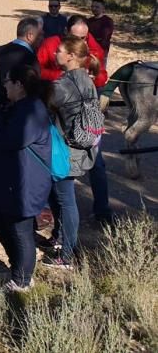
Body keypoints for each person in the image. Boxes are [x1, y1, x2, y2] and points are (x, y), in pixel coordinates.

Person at [0, 65, 52, 292]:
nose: (4, 85)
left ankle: (22, 280)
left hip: (25, 184)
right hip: (11, 181)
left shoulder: (32, 110)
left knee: (20, 230)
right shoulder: (20, 106)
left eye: (8, 81)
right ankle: (19, 269)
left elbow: (8, 139)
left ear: (20, 85)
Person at [36, 14, 112, 224]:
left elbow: (103, 75)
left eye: (84, 37)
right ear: (66, 33)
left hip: (82, 114)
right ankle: (46, 214)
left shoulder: (88, 48)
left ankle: (102, 210)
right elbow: (38, 69)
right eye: (76, 36)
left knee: (96, 162)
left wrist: (87, 78)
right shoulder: (52, 44)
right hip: (58, 107)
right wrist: (59, 81)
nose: (81, 40)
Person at [43, 35, 102, 269]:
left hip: (65, 153)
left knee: (66, 200)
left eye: (59, 51)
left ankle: (67, 255)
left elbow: (41, 106)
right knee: (60, 197)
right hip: (80, 149)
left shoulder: (64, 85)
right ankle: (62, 241)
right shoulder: (87, 81)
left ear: (71, 56)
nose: (55, 54)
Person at [0, 18, 43, 106]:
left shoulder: (1, 50)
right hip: (20, 110)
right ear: (30, 36)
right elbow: (34, 88)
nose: (42, 39)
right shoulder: (29, 58)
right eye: (40, 35)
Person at [87, 0, 114, 66]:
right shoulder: (89, 21)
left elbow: (104, 38)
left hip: (102, 51)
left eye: (97, 7)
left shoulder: (108, 21)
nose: (94, 8)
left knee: (100, 71)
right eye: (92, 6)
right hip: (89, 51)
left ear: (103, 8)